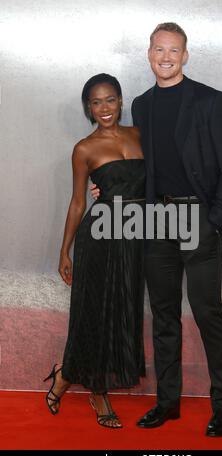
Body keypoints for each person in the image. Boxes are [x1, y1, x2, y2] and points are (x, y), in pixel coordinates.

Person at [90, 23, 222, 437]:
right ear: (149, 53)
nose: (166, 57)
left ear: (185, 55)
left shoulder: (211, 101)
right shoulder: (141, 105)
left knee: (209, 314)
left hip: (200, 221)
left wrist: (212, 221)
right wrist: (110, 183)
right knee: (163, 316)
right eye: (159, 49)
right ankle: (167, 403)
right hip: (157, 222)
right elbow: (148, 167)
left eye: (174, 50)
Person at [44, 73, 145, 428]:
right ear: (89, 107)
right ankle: (98, 393)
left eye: (111, 99)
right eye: (96, 102)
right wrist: (64, 252)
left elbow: (158, 181)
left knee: (122, 311)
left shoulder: (140, 135)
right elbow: (76, 204)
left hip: (135, 239)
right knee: (94, 314)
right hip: (99, 240)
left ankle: (64, 374)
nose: (105, 108)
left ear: (121, 100)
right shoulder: (84, 149)